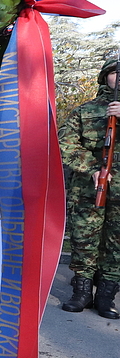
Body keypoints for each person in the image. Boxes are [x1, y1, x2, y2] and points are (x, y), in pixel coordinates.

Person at [59, 58, 120, 319]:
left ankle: (106, 297)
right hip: (88, 189)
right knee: (84, 240)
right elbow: (66, 143)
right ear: (105, 77)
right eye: (115, 73)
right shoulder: (85, 111)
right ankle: (81, 293)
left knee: (116, 244)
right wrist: (93, 168)